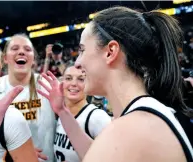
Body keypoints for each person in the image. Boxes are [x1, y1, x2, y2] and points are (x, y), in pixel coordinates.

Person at [37, 6, 193, 162]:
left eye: (82, 50)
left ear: (110, 52)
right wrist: (63, 112)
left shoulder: (126, 130)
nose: (77, 63)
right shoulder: (143, 116)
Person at [0, 34, 56, 162]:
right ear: (5, 58)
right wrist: (19, 150)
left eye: (27, 49)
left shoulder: (48, 84)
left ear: (33, 59)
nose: (21, 52)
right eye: (15, 48)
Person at [53, 64, 111, 162]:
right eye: (68, 78)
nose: (74, 83)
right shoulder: (60, 116)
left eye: (81, 79)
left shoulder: (97, 117)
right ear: (61, 83)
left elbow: (114, 158)